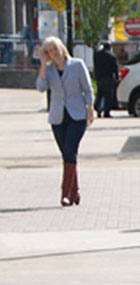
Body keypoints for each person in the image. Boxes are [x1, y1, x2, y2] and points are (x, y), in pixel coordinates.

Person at [35, 36, 94, 207]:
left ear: (61, 48)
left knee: (70, 150)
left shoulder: (77, 65)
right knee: (67, 154)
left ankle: (65, 193)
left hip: (77, 115)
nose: (53, 53)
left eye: (55, 49)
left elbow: (87, 89)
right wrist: (43, 66)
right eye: (49, 51)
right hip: (57, 117)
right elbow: (41, 87)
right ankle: (75, 192)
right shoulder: (50, 70)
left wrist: (90, 109)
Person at [93, 42, 119, 118]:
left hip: (99, 77)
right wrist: (117, 77)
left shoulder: (97, 54)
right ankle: (106, 112)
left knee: (99, 95)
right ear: (109, 47)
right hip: (108, 77)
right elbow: (115, 68)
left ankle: (98, 109)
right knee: (108, 96)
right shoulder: (111, 56)